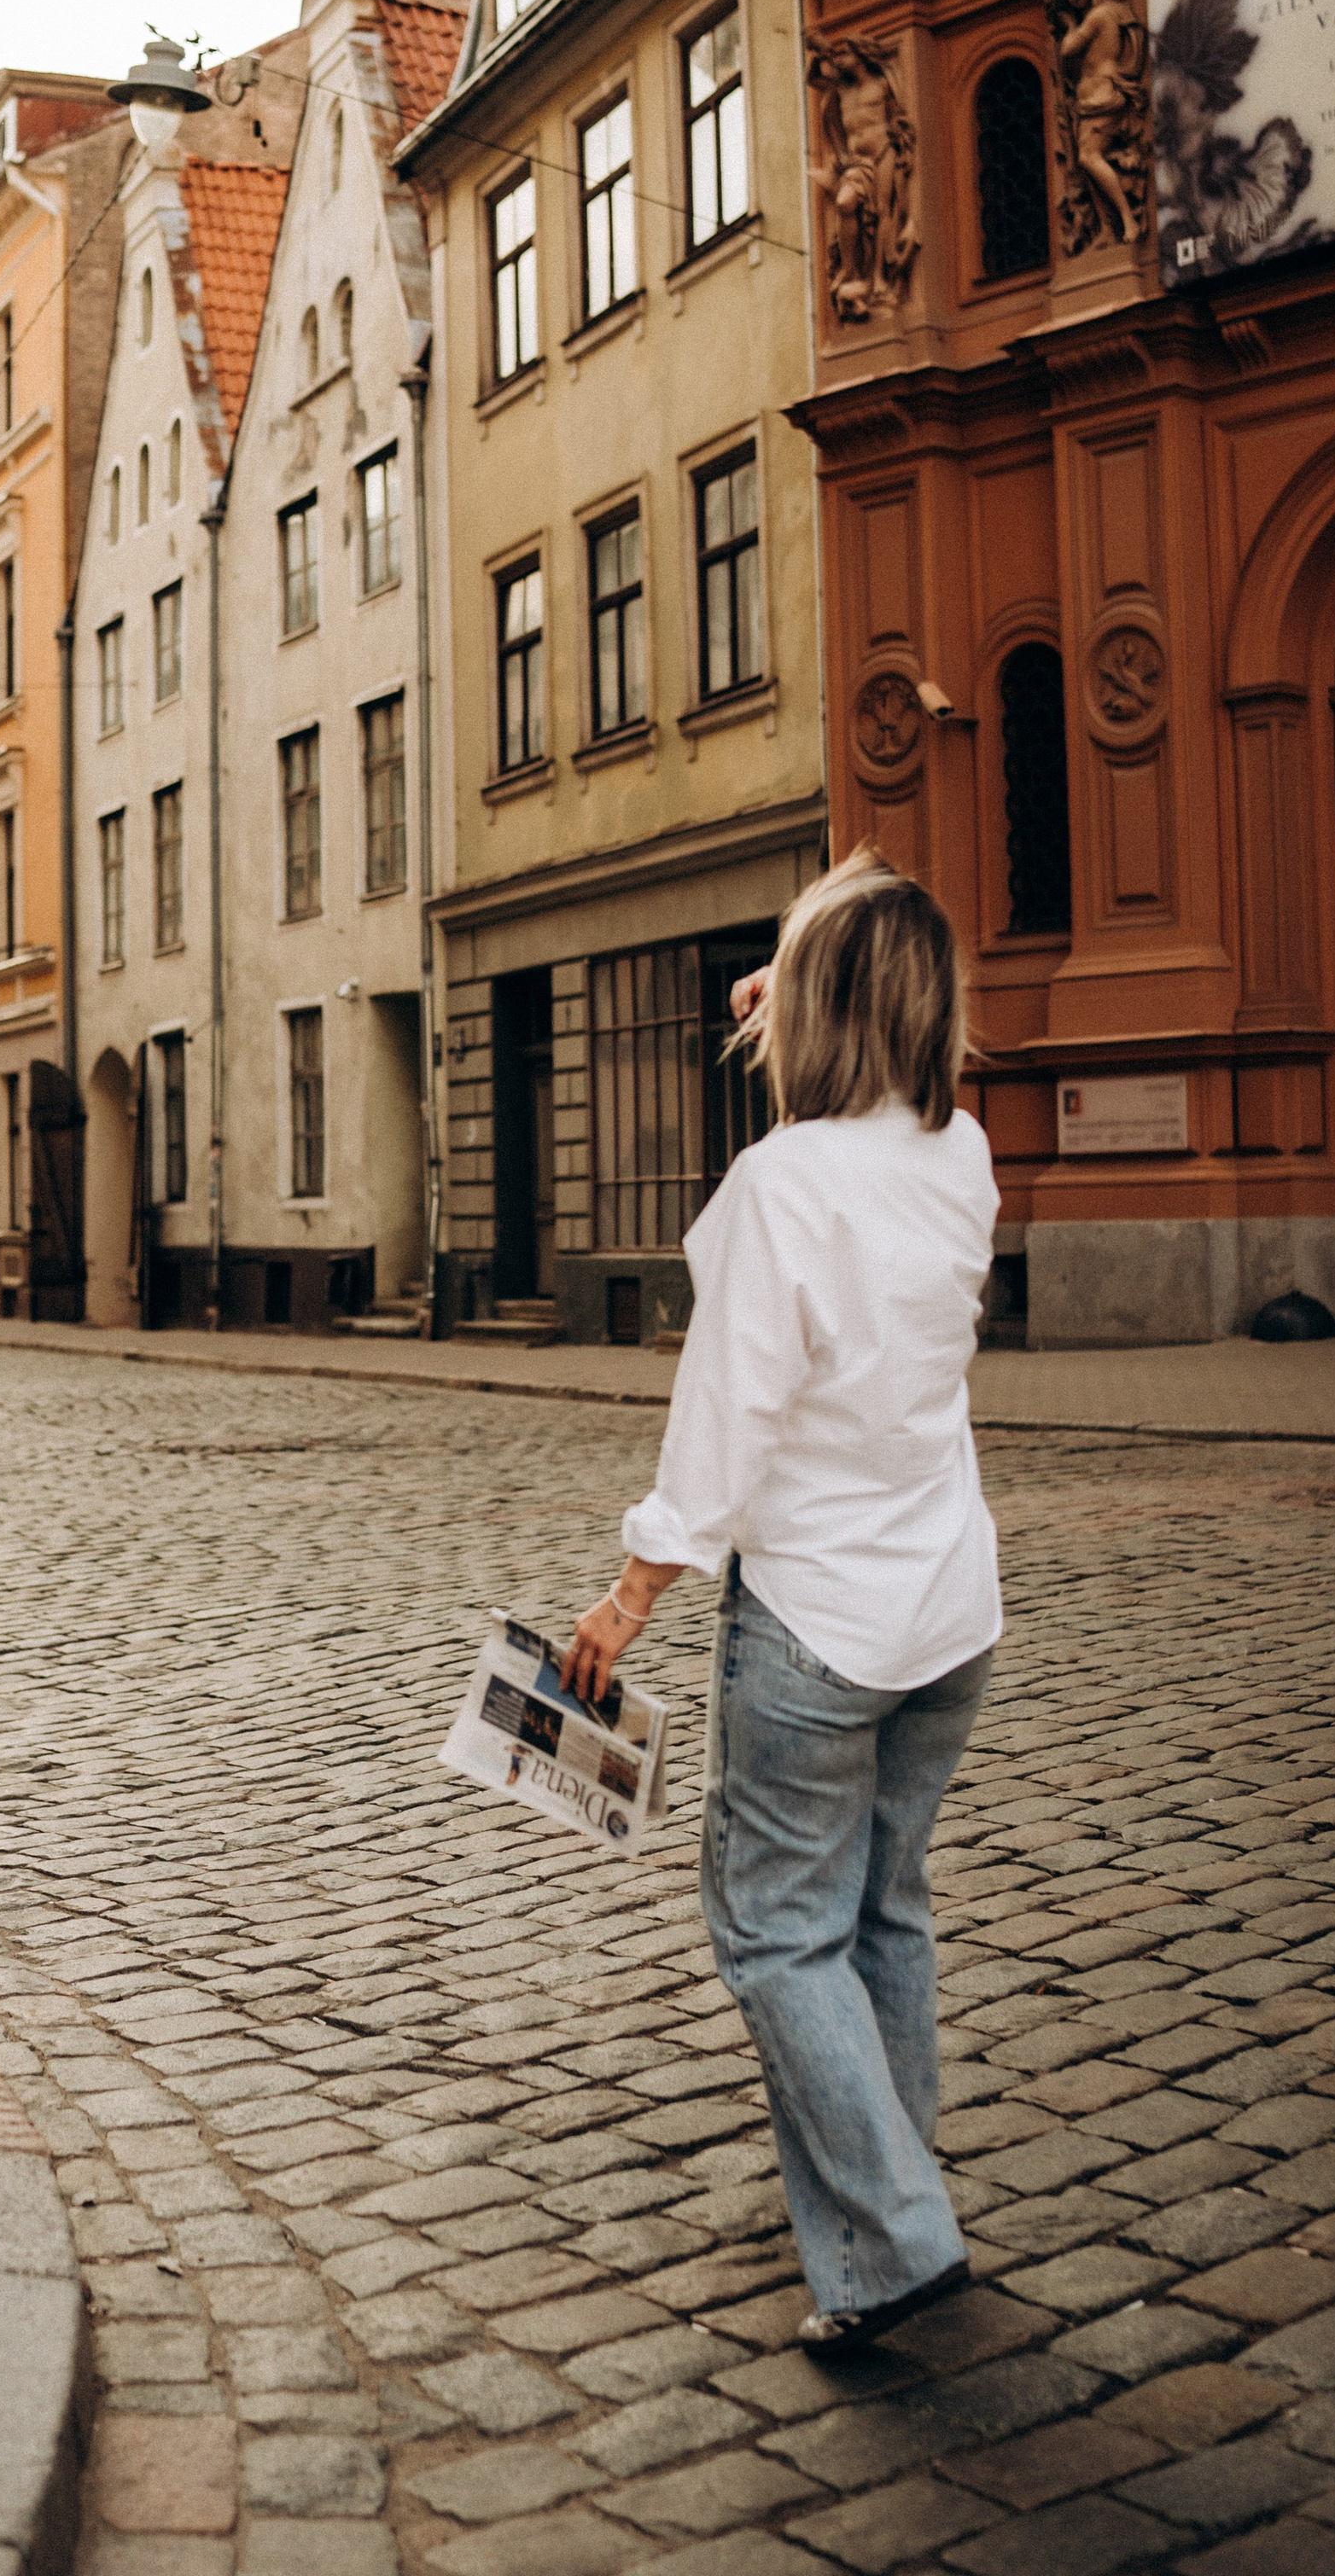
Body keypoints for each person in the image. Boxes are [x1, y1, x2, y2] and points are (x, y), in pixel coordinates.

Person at [564, 846, 1000, 2359]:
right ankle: (891, 2190)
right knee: (883, 1908)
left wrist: (626, 1603)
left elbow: (723, 1432)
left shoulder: (777, 1188)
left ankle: (892, 2236)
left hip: (817, 1630)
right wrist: (808, 978)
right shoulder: (965, 1155)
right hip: (949, 1616)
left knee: (773, 1932)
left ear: (807, 1014)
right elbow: (878, 1064)